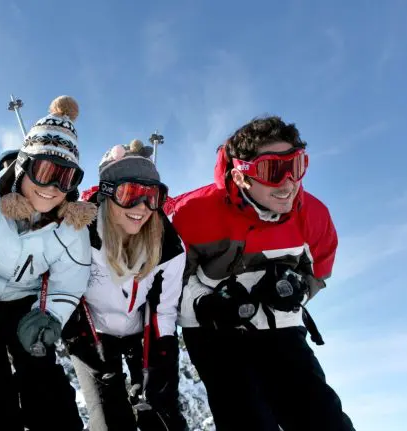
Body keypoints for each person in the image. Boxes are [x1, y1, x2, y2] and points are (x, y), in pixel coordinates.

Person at [171, 116, 355, 430]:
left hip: (279, 324)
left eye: (295, 167)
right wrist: (206, 304)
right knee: (249, 417)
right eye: (272, 171)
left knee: (322, 416)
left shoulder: (314, 215)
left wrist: (296, 288)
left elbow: (319, 270)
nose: (288, 184)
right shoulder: (191, 214)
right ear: (241, 176)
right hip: (214, 332)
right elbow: (166, 281)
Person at [0, 96, 96, 431]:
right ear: (24, 165)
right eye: (45, 171)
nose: (53, 188)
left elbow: (70, 280)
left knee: (43, 378)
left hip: (27, 306)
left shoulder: (71, 224)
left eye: (66, 178)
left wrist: (50, 316)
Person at [64, 139, 189, 431]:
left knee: (160, 415)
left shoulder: (168, 246)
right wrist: (89, 350)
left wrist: (159, 367)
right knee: (108, 418)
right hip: (93, 333)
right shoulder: (82, 234)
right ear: (107, 194)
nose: (142, 208)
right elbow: (66, 291)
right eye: (130, 194)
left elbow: (164, 311)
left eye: (152, 197)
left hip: (139, 334)